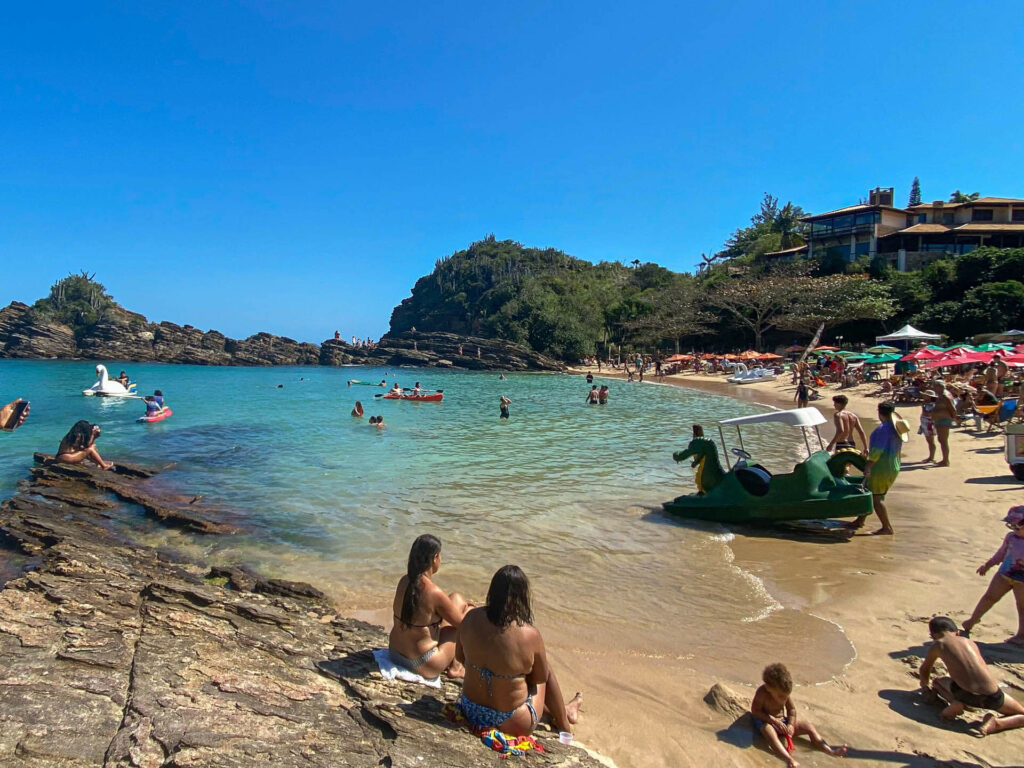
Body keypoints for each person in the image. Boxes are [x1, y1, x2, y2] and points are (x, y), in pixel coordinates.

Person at [455, 565, 582, 737]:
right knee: (546, 671)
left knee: (517, 673)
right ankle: (564, 726)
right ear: (522, 596)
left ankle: (564, 711)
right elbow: (539, 679)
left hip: (471, 710)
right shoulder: (529, 634)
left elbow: (460, 657)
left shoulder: (470, 617)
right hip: (511, 722)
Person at [919, 616, 1024, 735]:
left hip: (963, 694)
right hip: (992, 696)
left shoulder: (938, 645)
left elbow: (924, 669)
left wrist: (925, 687)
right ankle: (998, 724)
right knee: (1021, 714)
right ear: (958, 633)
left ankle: (956, 703)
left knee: (938, 682)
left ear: (933, 636)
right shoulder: (970, 643)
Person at [389, 534, 471, 679]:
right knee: (462, 625)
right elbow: (464, 625)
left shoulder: (404, 581)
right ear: (434, 558)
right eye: (440, 556)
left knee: (455, 598)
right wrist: (471, 610)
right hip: (422, 663)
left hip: (395, 653)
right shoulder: (433, 592)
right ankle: (456, 668)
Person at [751, 662, 847, 767]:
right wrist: (773, 721)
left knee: (808, 726)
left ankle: (829, 750)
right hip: (766, 721)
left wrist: (791, 725)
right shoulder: (762, 693)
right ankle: (789, 759)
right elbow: (755, 711)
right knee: (769, 731)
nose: (784, 699)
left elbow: (791, 710)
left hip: (783, 722)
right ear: (769, 687)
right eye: (781, 696)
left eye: (786, 696)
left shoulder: (784, 694)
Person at [962, 506, 1024, 646]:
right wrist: (988, 565)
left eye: (1017, 525)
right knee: (989, 597)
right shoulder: (1011, 537)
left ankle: (1021, 635)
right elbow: (1001, 554)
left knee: (1022, 607)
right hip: (1004, 574)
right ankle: (972, 620)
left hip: (1022, 581)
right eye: (1011, 525)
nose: (1014, 528)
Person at [848, 401, 901, 535]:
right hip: (893, 465)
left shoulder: (882, 429)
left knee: (876, 497)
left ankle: (886, 527)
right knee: (872, 493)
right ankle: (860, 520)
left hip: (881, 466)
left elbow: (877, 451)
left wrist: (868, 466)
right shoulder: (896, 429)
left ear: (879, 412)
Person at [929, 381, 956, 467]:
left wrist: (953, 418)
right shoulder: (941, 395)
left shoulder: (945, 396)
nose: (933, 389)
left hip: (943, 420)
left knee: (943, 440)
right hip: (940, 420)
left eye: (934, 387)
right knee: (941, 440)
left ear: (939, 387)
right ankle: (944, 460)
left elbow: (952, 409)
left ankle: (945, 461)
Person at [918, 390, 937, 463]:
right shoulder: (927, 404)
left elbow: (929, 414)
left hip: (929, 424)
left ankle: (931, 457)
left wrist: (923, 408)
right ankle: (931, 457)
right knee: (929, 441)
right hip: (926, 423)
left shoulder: (932, 405)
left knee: (930, 441)